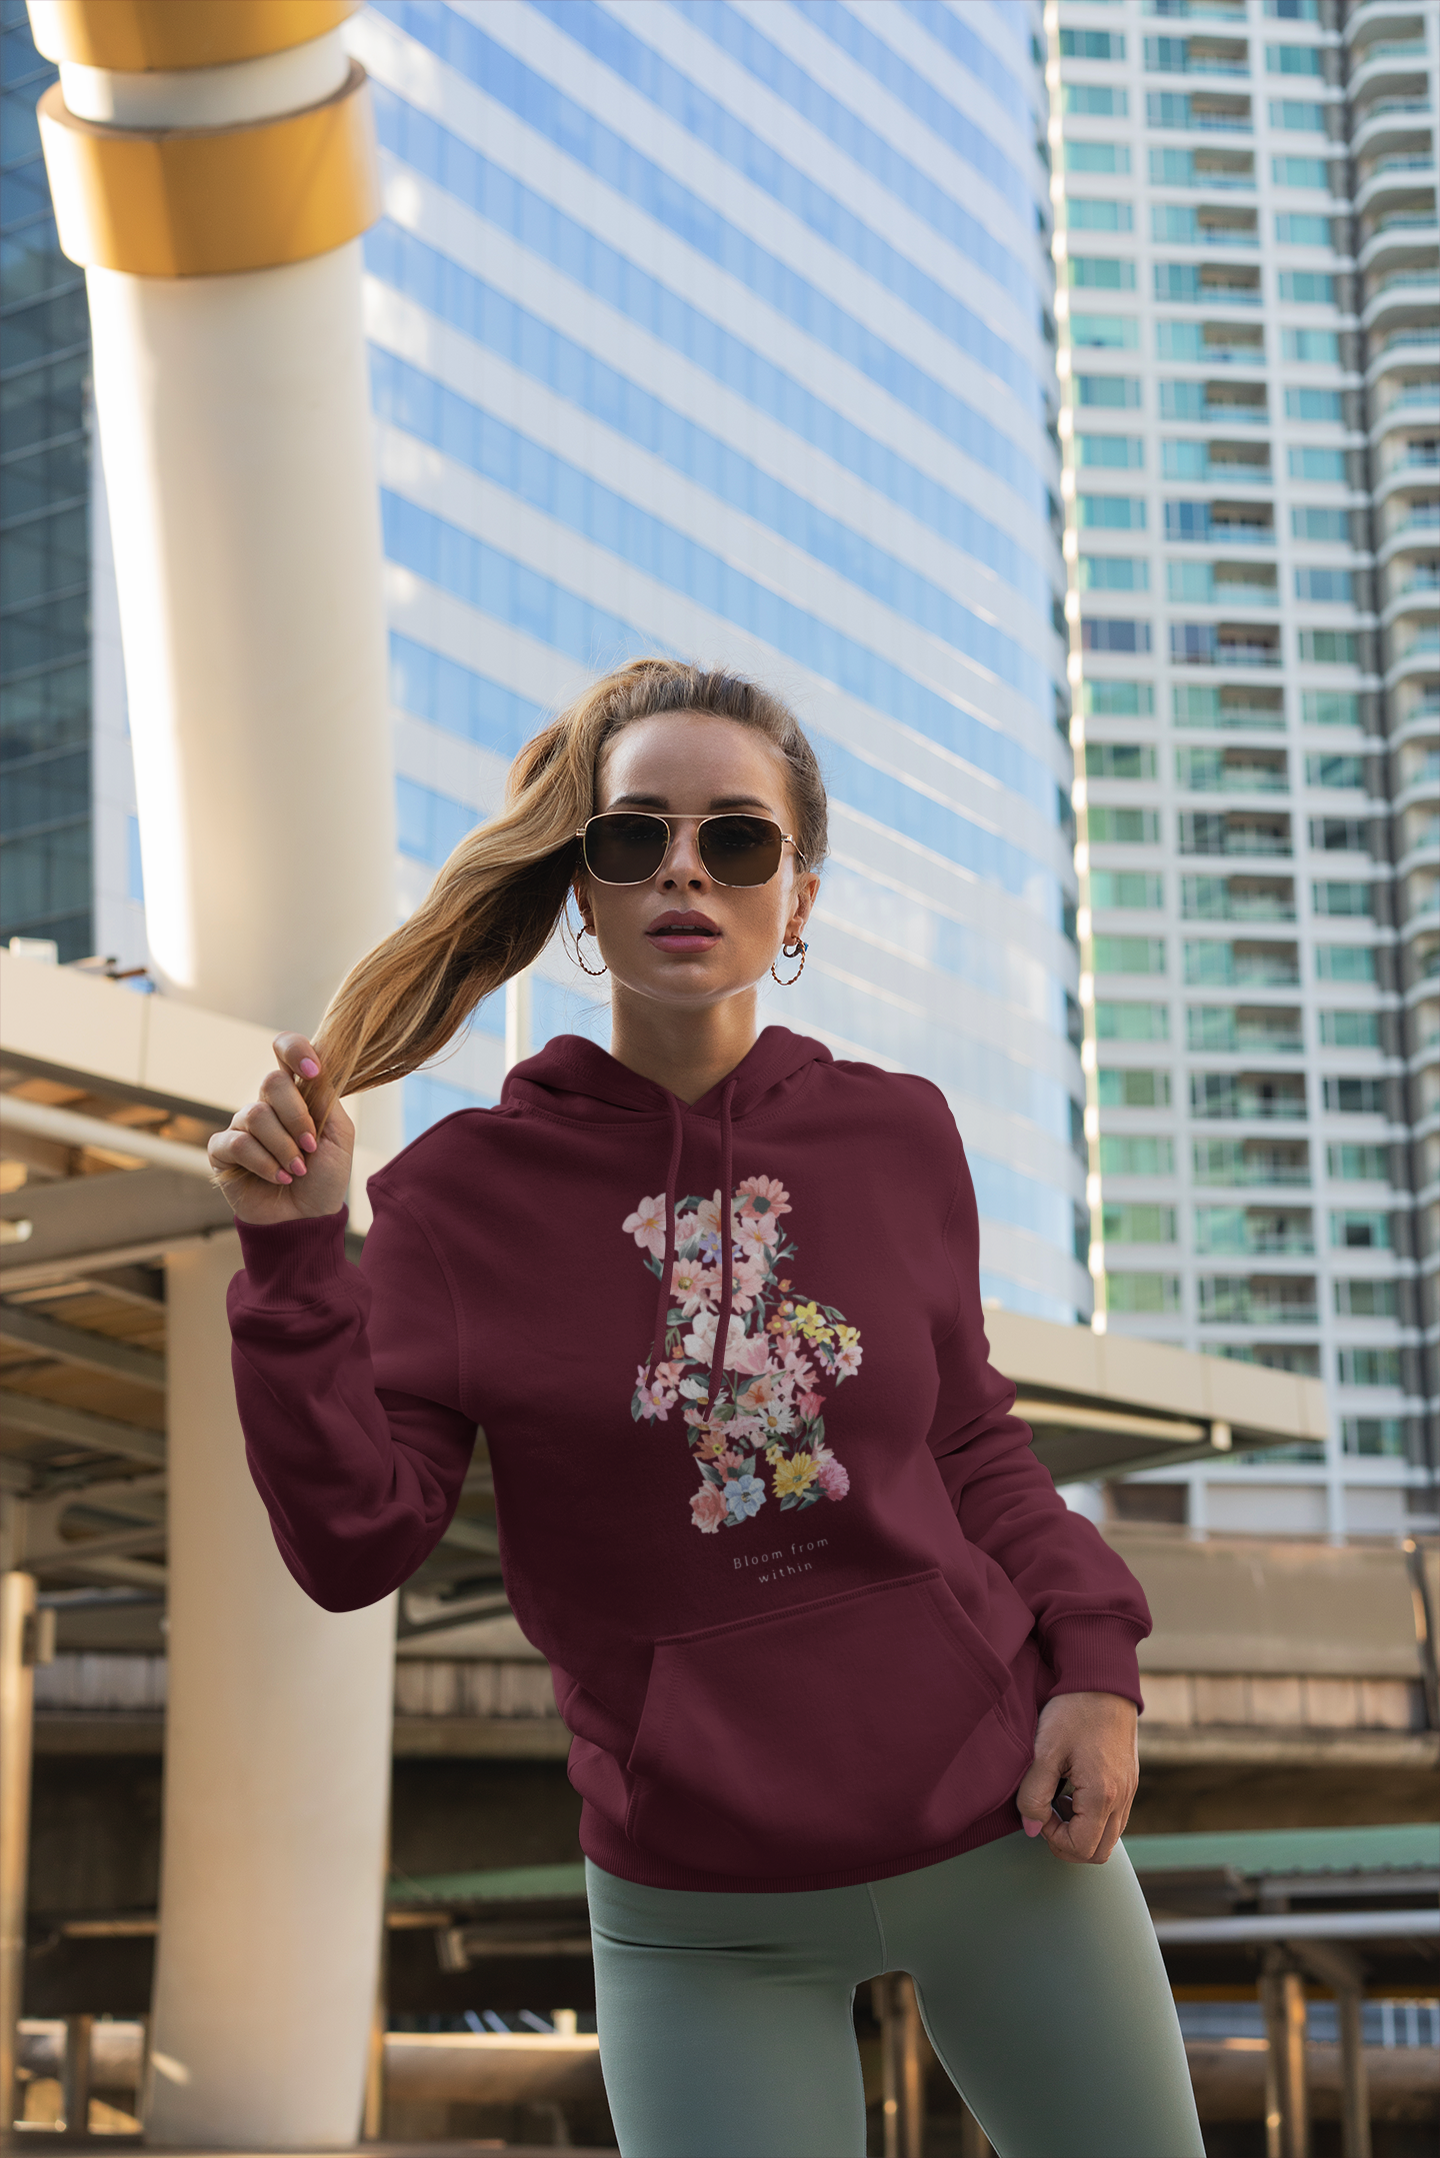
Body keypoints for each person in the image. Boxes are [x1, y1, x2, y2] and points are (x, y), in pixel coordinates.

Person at [211, 659, 1205, 2158]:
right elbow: (356, 1544)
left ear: (797, 899)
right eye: (636, 837)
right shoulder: (457, 1201)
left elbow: (973, 1444)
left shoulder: (899, 1134)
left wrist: (1099, 1662)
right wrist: (294, 1258)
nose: (684, 868)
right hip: (699, 1912)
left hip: (1006, 1826)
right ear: (584, 889)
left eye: (736, 839)